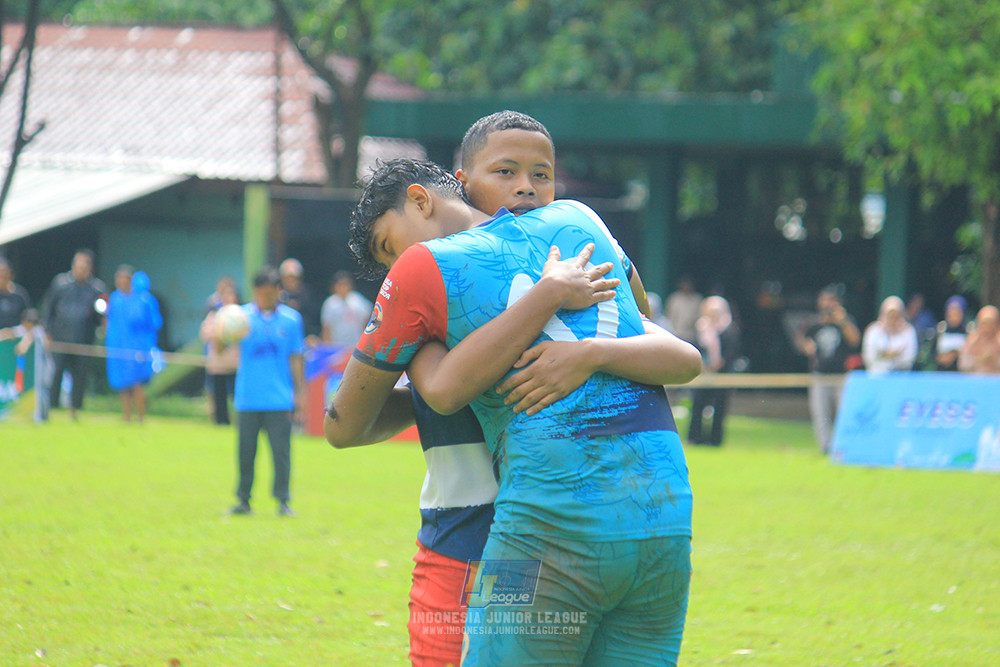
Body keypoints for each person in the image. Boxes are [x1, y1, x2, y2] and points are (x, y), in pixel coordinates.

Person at [328, 158, 700, 666]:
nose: (523, 190)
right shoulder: (571, 232)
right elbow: (674, 347)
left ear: (423, 198)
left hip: (526, 527)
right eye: (506, 172)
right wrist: (556, 307)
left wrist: (584, 347)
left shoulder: (436, 269)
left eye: (539, 175)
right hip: (647, 520)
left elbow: (380, 412)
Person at [231, 266, 305, 517]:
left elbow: (296, 358)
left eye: (269, 292)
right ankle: (243, 500)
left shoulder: (291, 320)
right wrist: (219, 334)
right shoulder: (240, 318)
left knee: (281, 453)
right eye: (260, 293)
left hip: (279, 398)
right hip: (248, 397)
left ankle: (283, 501)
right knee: (246, 453)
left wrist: (300, 394)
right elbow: (221, 347)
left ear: (277, 291)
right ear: (254, 291)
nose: (264, 297)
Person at [40, 249, 107, 420]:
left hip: (83, 340)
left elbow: (103, 313)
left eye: (84, 267)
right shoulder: (60, 283)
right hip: (60, 339)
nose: (81, 270)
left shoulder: (97, 288)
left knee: (80, 376)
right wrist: (47, 331)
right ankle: (52, 407)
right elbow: (49, 308)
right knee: (55, 374)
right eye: (78, 266)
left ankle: (75, 409)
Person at [794, 286, 861, 454]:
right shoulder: (814, 322)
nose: (826, 304)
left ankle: (844, 445)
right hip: (820, 375)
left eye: (830, 300)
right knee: (821, 413)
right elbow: (800, 338)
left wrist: (842, 320)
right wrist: (806, 347)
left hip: (840, 375)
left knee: (843, 411)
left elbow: (855, 340)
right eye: (823, 300)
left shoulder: (844, 321)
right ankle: (825, 447)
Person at [105, 266, 163, 423]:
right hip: (118, 346)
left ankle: (141, 416)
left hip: (138, 347)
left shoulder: (143, 300)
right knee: (122, 383)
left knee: (137, 383)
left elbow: (154, 323)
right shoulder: (115, 299)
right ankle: (126, 416)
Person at [688, 295, 741, 446]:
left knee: (720, 407)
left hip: (723, 375)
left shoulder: (729, 329)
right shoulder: (701, 327)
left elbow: (732, 352)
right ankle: (695, 437)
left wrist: (719, 363)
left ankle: (715, 439)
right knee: (698, 405)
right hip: (703, 374)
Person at [199, 281, 241, 425]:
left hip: (236, 365)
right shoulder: (214, 315)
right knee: (219, 397)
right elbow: (205, 334)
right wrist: (220, 334)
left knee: (237, 396)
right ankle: (221, 423)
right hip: (217, 366)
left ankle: (240, 422)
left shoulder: (242, 315)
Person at [862, 296, 919, 373]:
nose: (893, 319)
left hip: (901, 375)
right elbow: (869, 357)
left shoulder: (909, 331)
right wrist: (887, 355)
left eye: (896, 316)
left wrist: (892, 357)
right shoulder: (873, 330)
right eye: (890, 316)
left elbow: (909, 358)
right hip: (876, 374)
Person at [320, 270, 372, 348]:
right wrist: (327, 347)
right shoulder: (330, 303)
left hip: (355, 345)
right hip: (337, 346)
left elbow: (368, 317)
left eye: (345, 284)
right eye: (340, 284)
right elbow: (326, 327)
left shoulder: (358, 300)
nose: (343, 287)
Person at [278, 258, 321, 342]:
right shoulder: (277, 297)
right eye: (287, 278)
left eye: (294, 278)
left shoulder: (307, 296)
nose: (291, 281)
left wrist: (312, 335)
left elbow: (313, 320)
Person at [958, 305, 1000, 374]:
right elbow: (963, 364)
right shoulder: (972, 341)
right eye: (984, 323)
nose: (987, 327)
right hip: (976, 378)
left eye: (990, 323)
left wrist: (994, 359)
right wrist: (979, 360)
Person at [934, 295, 970, 372]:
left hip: (960, 372)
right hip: (942, 372)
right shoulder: (941, 329)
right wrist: (941, 358)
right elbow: (933, 352)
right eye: (950, 314)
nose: (953, 317)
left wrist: (954, 355)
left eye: (956, 314)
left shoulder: (968, 330)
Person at [665, 275, 702, 344]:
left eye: (688, 284)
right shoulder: (675, 298)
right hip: (676, 334)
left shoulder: (697, 299)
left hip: (691, 336)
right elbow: (669, 316)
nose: (686, 286)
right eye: (684, 284)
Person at [0, 257, 32, 332]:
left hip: (17, 334)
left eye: (5, 273)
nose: (2, 276)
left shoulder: (19, 294)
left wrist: (15, 331)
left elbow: (28, 317)